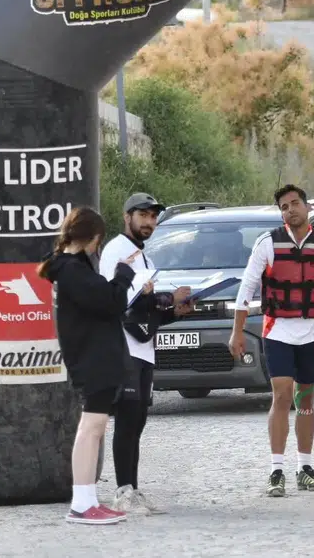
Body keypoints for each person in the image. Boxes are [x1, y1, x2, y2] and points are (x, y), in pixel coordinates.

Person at [229, 184, 314, 497]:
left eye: (295, 203)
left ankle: (304, 467)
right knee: (282, 395)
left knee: (305, 398)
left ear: (307, 207)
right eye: (284, 206)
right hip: (278, 330)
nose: (290, 210)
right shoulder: (267, 244)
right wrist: (237, 331)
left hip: (312, 333)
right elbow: (247, 288)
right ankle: (276, 469)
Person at [38, 205, 145, 525]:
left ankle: (87, 501)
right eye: (98, 240)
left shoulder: (72, 268)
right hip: (91, 359)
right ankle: (82, 504)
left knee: (93, 428)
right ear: (92, 237)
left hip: (93, 357)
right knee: (90, 429)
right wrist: (124, 277)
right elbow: (110, 303)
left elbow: (100, 299)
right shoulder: (72, 270)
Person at [97, 192, 191, 515]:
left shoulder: (145, 259)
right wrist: (152, 295)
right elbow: (113, 300)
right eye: (143, 215)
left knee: (137, 421)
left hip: (144, 348)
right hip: (122, 347)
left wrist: (174, 310)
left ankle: (133, 490)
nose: (149, 222)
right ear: (127, 217)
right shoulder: (116, 251)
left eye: (153, 217)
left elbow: (146, 312)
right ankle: (122, 492)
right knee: (126, 419)